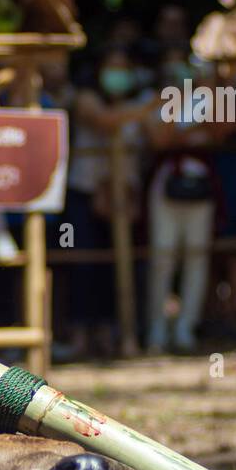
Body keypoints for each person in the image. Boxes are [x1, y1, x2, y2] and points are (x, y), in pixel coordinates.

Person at [65, 45, 157, 356]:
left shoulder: (137, 106)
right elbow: (105, 120)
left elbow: (158, 138)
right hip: (85, 192)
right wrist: (150, 107)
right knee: (83, 265)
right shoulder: (85, 99)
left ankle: (113, 335)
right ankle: (79, 336)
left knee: (117, 268)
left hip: (122, 195)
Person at [141, 51, 234, 352]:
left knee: (197, 258)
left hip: (202, 189)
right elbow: (160, 140)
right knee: (163, 257)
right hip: (167, 185)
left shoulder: (216, 100)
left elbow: (221, 133)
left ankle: (185, 330)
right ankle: (157, 331)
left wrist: (191, 127)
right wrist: (187, 120)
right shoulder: (160, 99)